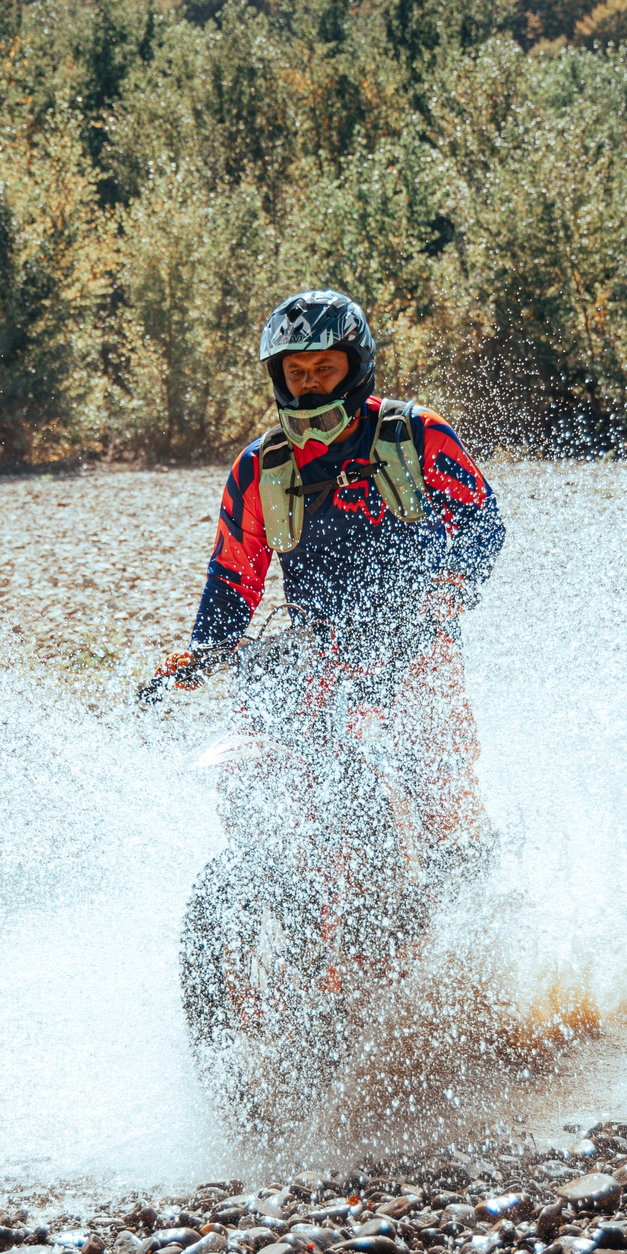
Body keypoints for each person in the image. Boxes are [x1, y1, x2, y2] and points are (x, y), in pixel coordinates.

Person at [158, 289, 505, 860]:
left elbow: (481, 518)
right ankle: (271, 884)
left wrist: (451, 586)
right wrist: (203, 652)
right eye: (295, 371)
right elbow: (233, 574)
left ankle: (470, 902)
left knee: (442, 793)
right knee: (261, 773)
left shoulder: (417, 434)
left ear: (356, 366)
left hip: (418, 637)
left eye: (324, 367)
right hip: (314, 649)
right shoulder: (259, 466)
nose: (309, 383)